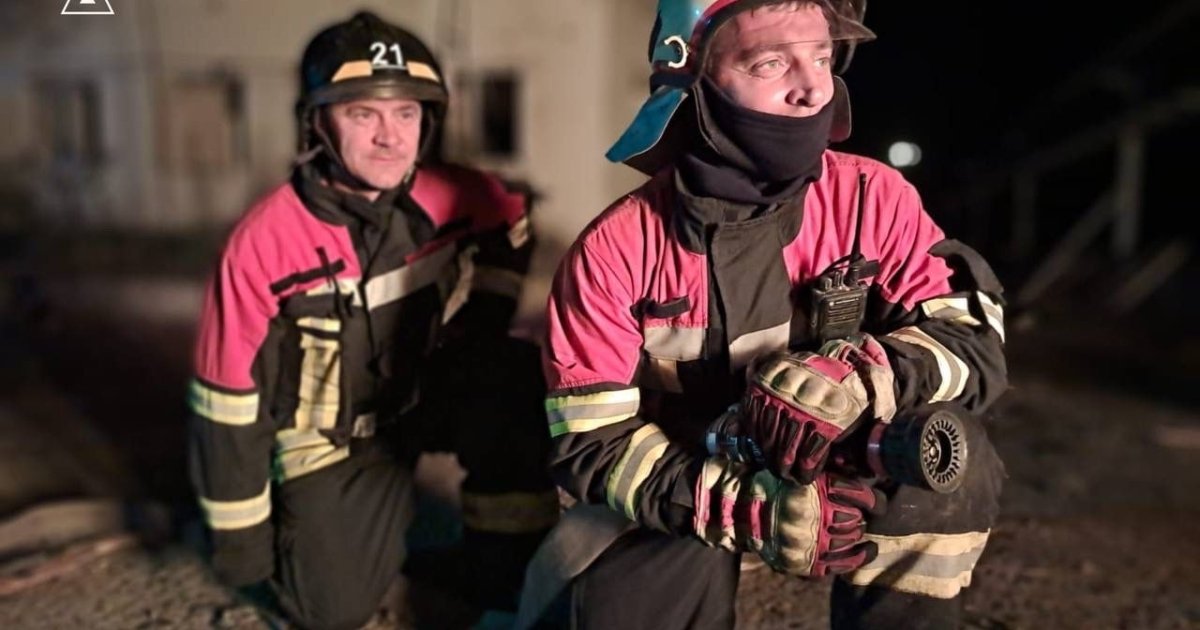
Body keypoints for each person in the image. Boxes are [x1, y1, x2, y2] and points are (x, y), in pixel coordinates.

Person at [535, 1, 1008, 628]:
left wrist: (870, 377)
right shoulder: (616, 250)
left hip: (848, 456)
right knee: (613, 602)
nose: (813, 88)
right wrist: (740, 508)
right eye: (771, 63)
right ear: (692, 81)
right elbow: (591, 441)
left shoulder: (873, 199)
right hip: (682, 481)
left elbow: (972, 342)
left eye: (821, 58)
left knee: (949, 456)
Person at [185, 11, 558, 629]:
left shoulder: (448, 195)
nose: (390, 137)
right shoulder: (264, 244)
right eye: (363, 114)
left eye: (406, 113)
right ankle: (319, 541)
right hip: (334, 441)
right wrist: (242, 550)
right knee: (330, 612)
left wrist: (481, 323)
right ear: (317, 123)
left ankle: (498, 568)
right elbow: (226, 408)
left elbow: (512, 216)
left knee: (514, 376)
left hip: (422, 394)